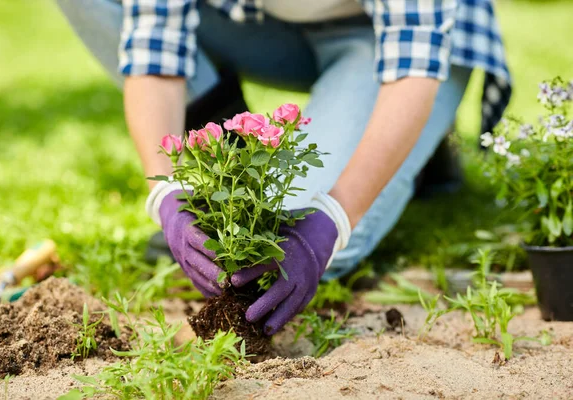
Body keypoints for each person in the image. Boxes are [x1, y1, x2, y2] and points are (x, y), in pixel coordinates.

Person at [56, 0, 511, 335]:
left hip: (393, 43)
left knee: (292, 238)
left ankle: (418, 143)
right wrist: (167, 194)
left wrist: (334, 217)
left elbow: (413, 66)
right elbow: (156, 46)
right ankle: (229, 149)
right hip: (263, 25)